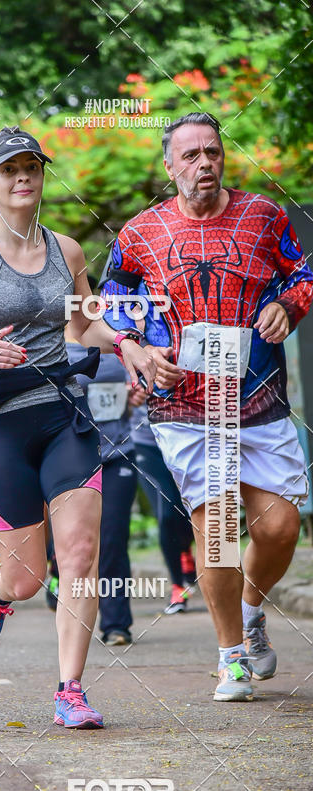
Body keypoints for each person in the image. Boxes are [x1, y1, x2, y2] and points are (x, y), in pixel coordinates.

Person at [0, 125, 156, 728]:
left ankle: (69, 690)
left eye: (33, 168)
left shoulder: (68, 250)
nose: (24, 177)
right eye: (10, 169)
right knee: (26, 579)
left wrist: (126, 344)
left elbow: (82, 328)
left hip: (61, 413)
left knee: (79, 550)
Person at [99, 111, 312, 701]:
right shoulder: (140, 232)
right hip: (185, 402)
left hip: (258, 395)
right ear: (169, 166)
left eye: (212, 152)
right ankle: (230, 659)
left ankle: (249, 611)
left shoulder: (265, 216)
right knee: (215, 526)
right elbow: (111, 298)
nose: (203, 164)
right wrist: (135, 350)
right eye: (190, 155)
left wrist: (291, 306)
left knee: (280, 526)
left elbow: (305, 271)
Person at [66, 336, 137, 645]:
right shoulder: (54, 348)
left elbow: (142, 382)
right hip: (72, 460)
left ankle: (116, 623)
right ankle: (72, 612)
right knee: (76, 544)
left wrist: (137, 393)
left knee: (111, 538)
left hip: (117, 454)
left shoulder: (121, 346)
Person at [130, 393, 196, 613]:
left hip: (188, 438)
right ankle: (178, 585)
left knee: (191, 509)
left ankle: (185, 549)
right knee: (166, 512)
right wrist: (128, 394)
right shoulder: (127, 357)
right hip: (147, 444)